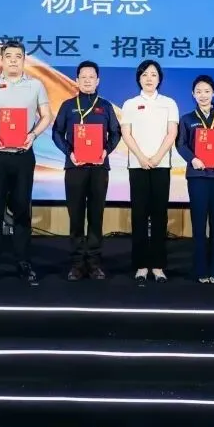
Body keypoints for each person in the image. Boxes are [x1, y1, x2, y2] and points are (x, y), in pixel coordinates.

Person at [0, 40, 53, 283]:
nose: (14, 60)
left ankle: (23, 262)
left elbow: (46, 115)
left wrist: (33, 135)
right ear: (2, 59)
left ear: (24, 60)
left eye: (18, 56)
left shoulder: (35, 85)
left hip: (23, 155)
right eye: (9, 56)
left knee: (22, 210)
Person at [51, 60, 122, 280]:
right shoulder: (68, 106)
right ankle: (76, 263)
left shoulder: (106, 106)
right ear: (77, 80)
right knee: (76, 216)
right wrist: (69, 152)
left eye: (91, 77)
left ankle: (94, 262)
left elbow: (116, 133)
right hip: (75, 167)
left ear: (98, 80)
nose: (87, 80)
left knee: (96, 216)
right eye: (83, 77)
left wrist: (105, 151)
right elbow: (56, 132)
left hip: (99, 168)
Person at [120, 59, 179, 283]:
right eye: (144, 74)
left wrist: (156, 157)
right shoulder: (130, 104)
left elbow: (172, 133)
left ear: (159, 78)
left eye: (153, 74)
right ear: (139, 78)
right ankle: (141, 265)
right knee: (139, 215)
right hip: (138, 165)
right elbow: (126, 134)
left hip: (161, 165)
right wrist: (142, 157)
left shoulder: (169, 103)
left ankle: (159, 265)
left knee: (159, 215)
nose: (149, 78)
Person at [176, 74, 214, 284]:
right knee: (199, 224)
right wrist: (193, 159)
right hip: (198, 176)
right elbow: (181, 144)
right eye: (199, 91)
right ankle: (200, 270)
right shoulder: (187, 119)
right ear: (193, 94)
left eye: (207, 91)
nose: (203, 95)